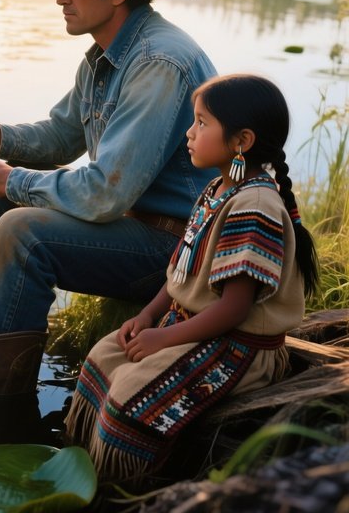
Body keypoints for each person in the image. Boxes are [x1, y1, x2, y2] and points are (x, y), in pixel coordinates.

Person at [0, 0, 217, 446]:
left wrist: (9, 180)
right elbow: (62, 136)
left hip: (179, 252)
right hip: (135, 227)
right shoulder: (107, 55)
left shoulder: (158, 61)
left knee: (21, 230)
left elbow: (105, 192)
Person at [64, 74, 319, 481]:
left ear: (242, 141)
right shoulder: (216, 190)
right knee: (103, 357)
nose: (190, 132)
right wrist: (148, 316)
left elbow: (235, 309)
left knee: (130, 402)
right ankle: (80, 467)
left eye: (202, 122)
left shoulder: (255, 206)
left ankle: (125, 487)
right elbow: (181, 272)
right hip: (193, 327)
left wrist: (163, 339)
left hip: (236, 348)